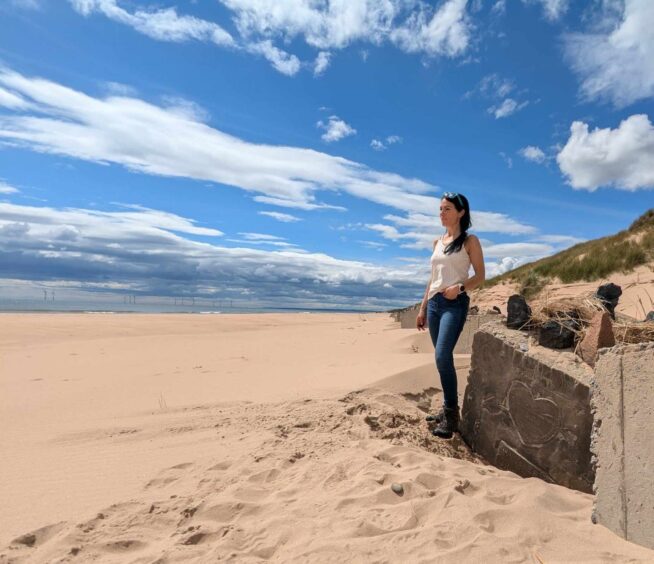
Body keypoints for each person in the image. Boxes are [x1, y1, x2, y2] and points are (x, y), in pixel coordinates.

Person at [416, 192, 485, 439]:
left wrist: (461, 288)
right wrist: (422, 308)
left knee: (442, 354)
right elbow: (432, 279)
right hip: (434, 304)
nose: (441, 213)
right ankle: (447, 409)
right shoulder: (437, 242)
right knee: (441, 360)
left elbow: (480, 275)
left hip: (454, 304)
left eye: (447, 209)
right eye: (440, 209)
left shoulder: (470, 241)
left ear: (461, 212)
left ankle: (452, 415)